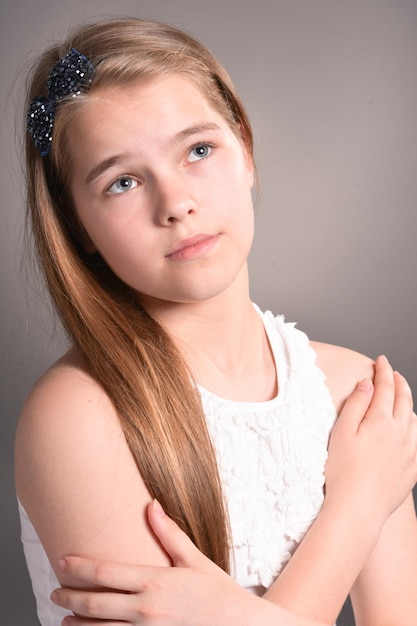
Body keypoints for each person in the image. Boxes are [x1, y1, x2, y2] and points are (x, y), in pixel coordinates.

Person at [14, 17, 417, 626]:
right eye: (122, 182)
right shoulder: (79, 417)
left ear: (246, 152)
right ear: (78, 228)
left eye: (198, 151)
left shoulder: (354, 394)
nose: (175, 204)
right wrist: (357, 507)